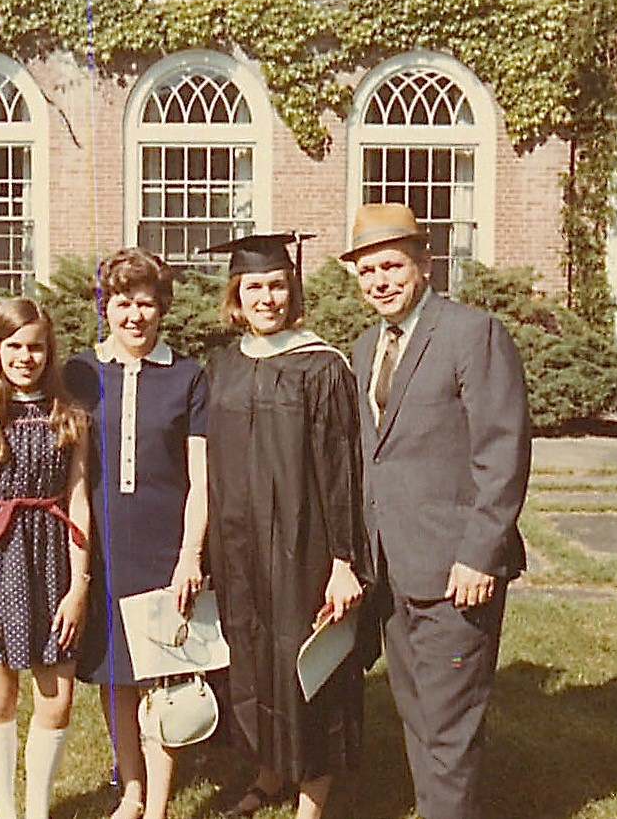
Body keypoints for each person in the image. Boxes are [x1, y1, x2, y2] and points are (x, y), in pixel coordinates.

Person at [342, 203, 531, 819]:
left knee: (450, 723)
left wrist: (480, 555)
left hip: (457, 572)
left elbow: (501, 453)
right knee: (419, 713)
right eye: (368, 271)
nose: (381, 282)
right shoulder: (368, 343)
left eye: (392, 265)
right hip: (392, 569)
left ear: (425, 264)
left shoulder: (470, 332)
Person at [204, 234, 371, 819]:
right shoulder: (222, 366)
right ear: (236, 296)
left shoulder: (323, 367)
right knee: (254, 660)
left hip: (305, 550)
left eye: (278, 285)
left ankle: (311, 802)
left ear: (292, 291)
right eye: (255, 287)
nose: (267, 297)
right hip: (239, 551)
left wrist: (345, 561)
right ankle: (270, 772)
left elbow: (342, 470)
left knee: (306, 667)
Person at [63, 247, 209, 819]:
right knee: (114, 673)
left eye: (146, 304)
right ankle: (131, 788)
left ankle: (160, 803)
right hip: (102, 545)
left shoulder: (188, 376)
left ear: (162, 307)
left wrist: (190, 555)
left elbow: (201, 477)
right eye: (123, 303)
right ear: (106, 307)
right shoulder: (79, 372)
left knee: (163, 673)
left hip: (165, 543)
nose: (135, 317)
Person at [0, 298, 92, 819]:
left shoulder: (67, 416)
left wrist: (78, 587)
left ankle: (36, 809)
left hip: (53, 559)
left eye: (36, 347)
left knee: (57, 694)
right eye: (15, 347)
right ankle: (5, 810)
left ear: (50, 353)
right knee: (0, 690)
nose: (25, 357)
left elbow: (78, 501)